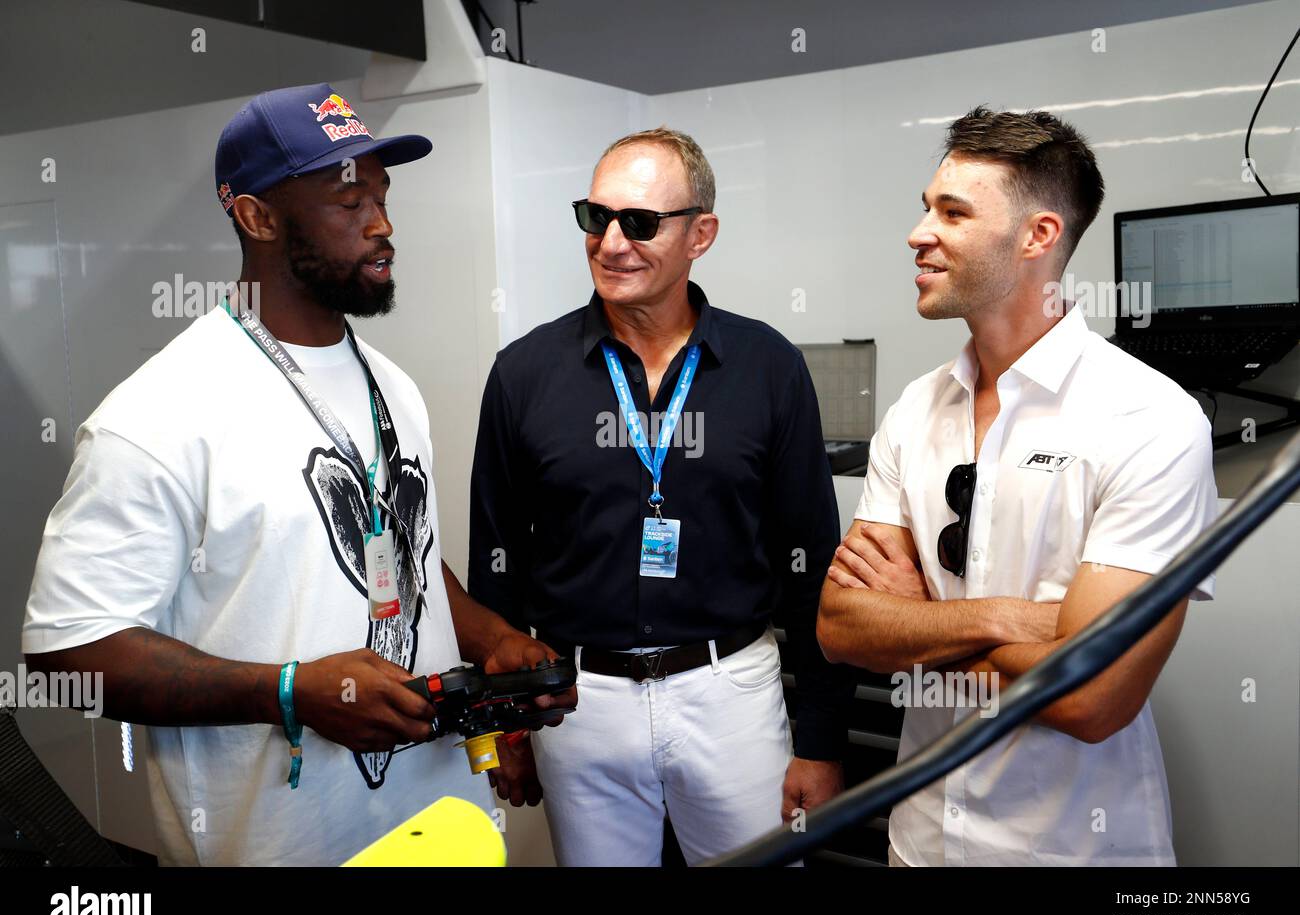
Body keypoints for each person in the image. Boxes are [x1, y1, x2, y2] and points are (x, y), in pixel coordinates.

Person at [21, 83, 571, 866]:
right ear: (257, 216)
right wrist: (289, 691)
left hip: (444, 825)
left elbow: (397, 553)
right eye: (349, 201)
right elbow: (67, 652)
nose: (382, 224)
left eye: (382, 194)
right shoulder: (157, 416)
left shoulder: (391, 384)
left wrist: (492, 638)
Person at [817, 107, 1217, 866]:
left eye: (953, 213)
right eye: (926, 207)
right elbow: (842, 629)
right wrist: (1025, 621)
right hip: (923, 841)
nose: (918, 233)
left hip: (1072, 851)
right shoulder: (916, 410)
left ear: (1037, 237)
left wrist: (916, 626)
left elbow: (1091, 697)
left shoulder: (1150, 419)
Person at [468, 127, 852, 866]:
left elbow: (812, 568)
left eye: (639, 223)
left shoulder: (767, 366)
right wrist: (505, 729)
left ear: (699, 234)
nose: (611, 242)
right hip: (580, 706)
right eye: (596, 217)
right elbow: (497, 569)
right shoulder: (524, 375)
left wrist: (823, 739)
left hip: (730, 692)